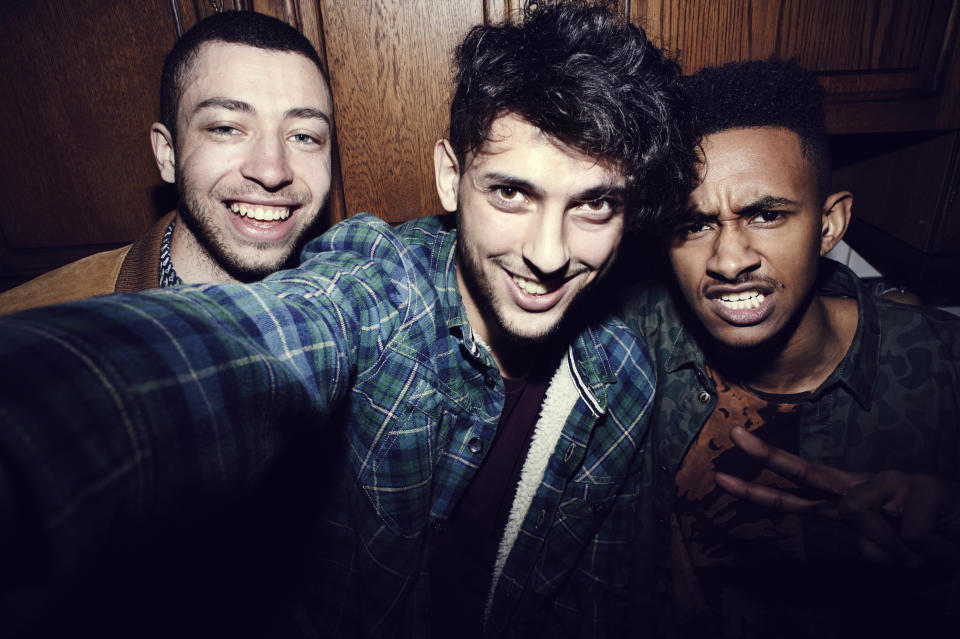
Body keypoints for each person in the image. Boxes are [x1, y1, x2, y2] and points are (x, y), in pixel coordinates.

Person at [0, 3, 695, 637]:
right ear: (451, 178)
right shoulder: (379, 279)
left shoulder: (621, 376)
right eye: (512, 192)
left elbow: (595, 606)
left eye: (595, 205)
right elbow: (263, 345)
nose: (548, 254)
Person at [624, 59, 960, 639]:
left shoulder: (944, 372)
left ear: (830, 224)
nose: (730, 261)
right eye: (696, 225)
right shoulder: (629, 345)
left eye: (767, 215)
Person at [0, 10, 333, 315]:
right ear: (167, 154)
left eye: (303, 136)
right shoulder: (28, 331)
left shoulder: (360, 303)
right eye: (226, 129)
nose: (272, 171)